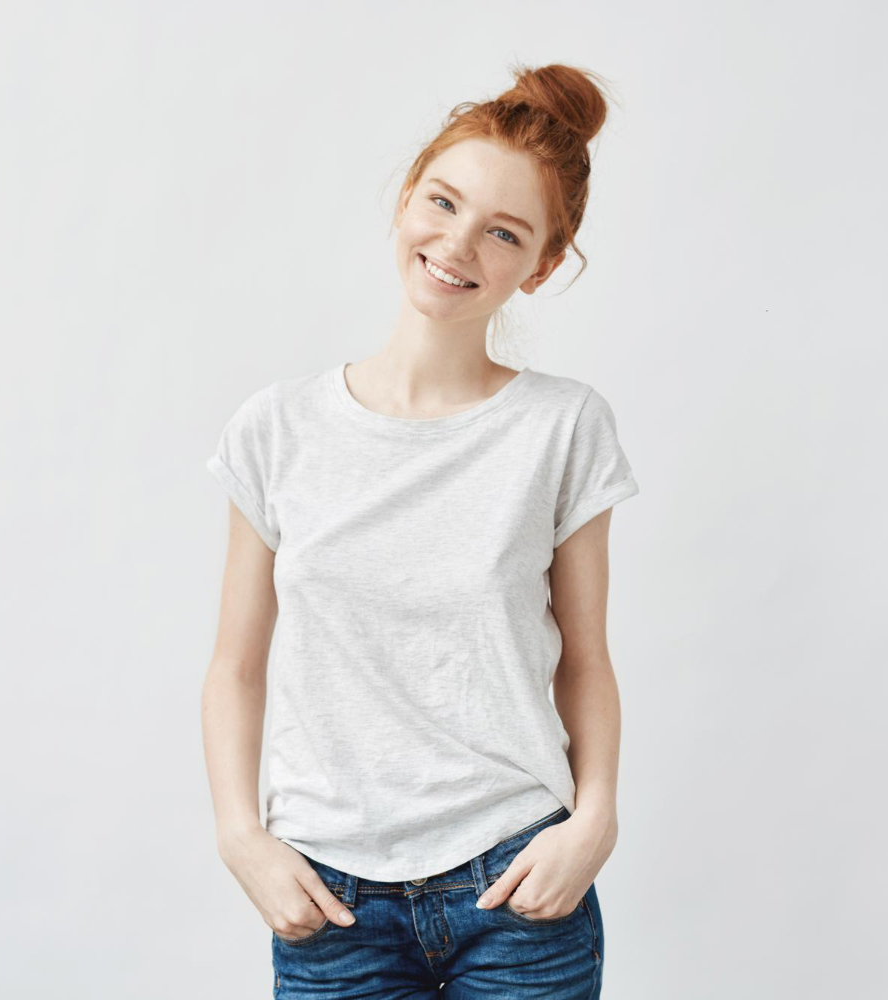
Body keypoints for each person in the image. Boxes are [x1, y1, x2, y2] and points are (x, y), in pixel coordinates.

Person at [201, 62, 637, 998]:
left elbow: (585, 659)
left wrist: (593, 819)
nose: (458, 244)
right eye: (442, 203)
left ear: (543, 265)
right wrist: (242, 837)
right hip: (331, 901)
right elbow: (236, 665)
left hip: (517, 885)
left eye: (504, 232)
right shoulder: (277, 430)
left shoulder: (562, 428)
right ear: (407, 199)